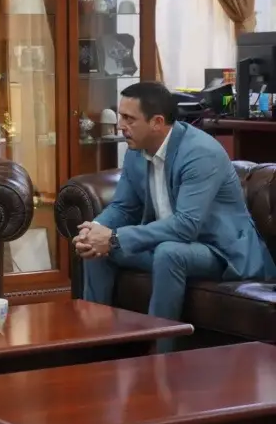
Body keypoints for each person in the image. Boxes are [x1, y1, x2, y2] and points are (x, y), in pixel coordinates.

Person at [75, 81, 276, 337]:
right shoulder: (136, 151)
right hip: (167, 242)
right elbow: (124, 207)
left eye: (129, 119)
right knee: (95, 248)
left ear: (157, 122)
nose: (120, 126)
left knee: (169, 253)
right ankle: (96, 340)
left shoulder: (200, 153)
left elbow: (186, 226)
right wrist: (96, 230)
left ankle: (160, 351)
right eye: (120, 116)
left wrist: (114, 238)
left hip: (220, 250)